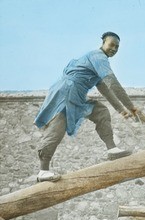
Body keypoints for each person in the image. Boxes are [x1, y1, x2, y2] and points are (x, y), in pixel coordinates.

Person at [34, 32, 139, 182]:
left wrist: (123, 110)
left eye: (117, 47)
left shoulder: (97, 64)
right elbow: (113, 84)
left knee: (101, 111)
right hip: (66, 92)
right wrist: (132, 108)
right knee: (56, 129)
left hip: (77, 95)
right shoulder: (98, 56)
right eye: (111, 44)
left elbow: (106, 90)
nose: (114, 49)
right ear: (103, 43)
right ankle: (43, 171)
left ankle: (112, 149)